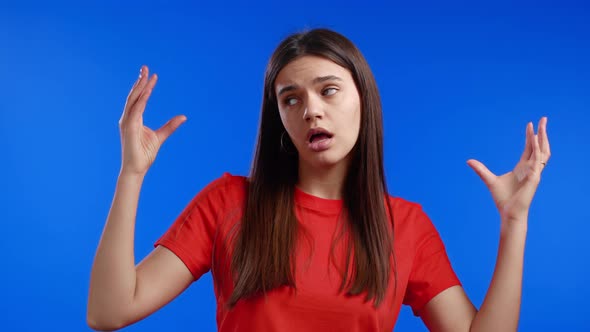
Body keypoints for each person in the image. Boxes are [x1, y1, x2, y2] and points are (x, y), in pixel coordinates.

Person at [87, 28, 551, 331]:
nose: (311, 109)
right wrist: (131, 173)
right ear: (280, 120)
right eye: (290, 99)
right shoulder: (228, 203)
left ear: (363, 100)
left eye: (328, 90)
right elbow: (109, 311)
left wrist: (515, 221)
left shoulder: (405, 226)